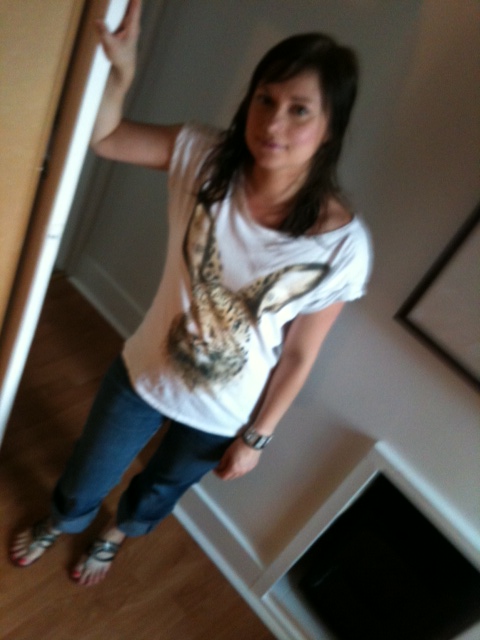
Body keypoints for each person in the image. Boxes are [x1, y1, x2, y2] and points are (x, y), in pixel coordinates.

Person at [10, 0, 372, 586]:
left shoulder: (342, 247)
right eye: (265, 99)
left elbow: (300, 353)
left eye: (299, 110)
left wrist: (256, 438)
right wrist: (121, 74)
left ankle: (115, 535)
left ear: (330, 128)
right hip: (144, 371)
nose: (273, 124)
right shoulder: (204, 159)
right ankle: (63, 519)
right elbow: (106, 138)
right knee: (88, 471)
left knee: (160, 489)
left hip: (225, 410)